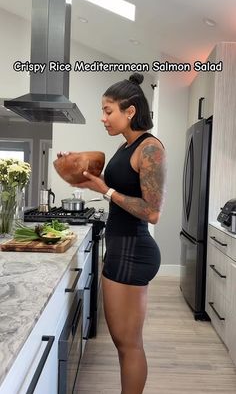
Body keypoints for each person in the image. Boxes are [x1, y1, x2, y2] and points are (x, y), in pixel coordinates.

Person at [59, 73, 166, 394]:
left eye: (108, 111)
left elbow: (153, 212)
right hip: (120, 249)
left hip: (135, 250)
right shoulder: (125, 147)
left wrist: (106, 190)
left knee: (129, 344)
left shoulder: (149, 149)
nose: (103, 117)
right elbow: (101, 185)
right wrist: (73, 167)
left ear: (129, 111)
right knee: (123, 343)